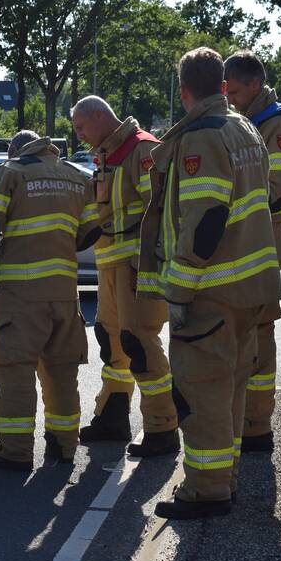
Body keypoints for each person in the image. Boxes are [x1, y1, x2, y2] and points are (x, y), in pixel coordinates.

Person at [137, 47, 281, 519]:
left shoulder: (200, 138)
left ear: (183, 92)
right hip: (252, 289)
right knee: (233, 387)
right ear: (222, 86)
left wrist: (177, 289)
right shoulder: (244, 128)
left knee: (202, 392)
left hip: (212, 294)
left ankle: (205, 489)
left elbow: (206, 221)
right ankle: (226, 476)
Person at [0, 130, 101, 471]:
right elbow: (90, 232)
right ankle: (64, 446)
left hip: (21, 294)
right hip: (64, 293)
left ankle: (15, 452)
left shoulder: (12, 171)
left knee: (15, 372)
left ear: (15, 149)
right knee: (62, 371)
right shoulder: (75, 177)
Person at [71, 96, 179, 457]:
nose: (78, 134)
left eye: (80, 126)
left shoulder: (142, 150)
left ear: (101, 117)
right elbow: (100, 209)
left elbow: (162, 211)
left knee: (140, 343)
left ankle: (163, 428)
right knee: (112, 342)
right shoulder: (105, 154)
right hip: (110, 265)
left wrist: (151, 265)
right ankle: (113, 417)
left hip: (137, 267)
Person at [224, 51, 281, 453]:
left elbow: (280, 190)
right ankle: (242, 417)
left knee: (260, 329)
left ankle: (257, 424)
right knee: (239, 328)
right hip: (242, 236)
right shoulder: (241, 123)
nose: (231, 98)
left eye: (236, 91)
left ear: (255, 84)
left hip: (263, 236)